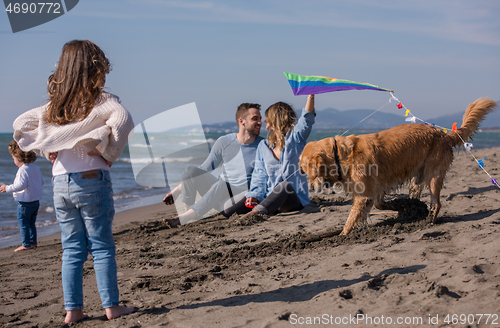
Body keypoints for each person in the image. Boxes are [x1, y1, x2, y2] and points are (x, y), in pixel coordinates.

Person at [12, 40, 134, 323]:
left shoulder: (55, 107)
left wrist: (47, 150)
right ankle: (112, 307)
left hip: (60, 183)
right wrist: (109, 152)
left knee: (72, 248)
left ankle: (73, 311)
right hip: (93, 178)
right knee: (101, 245)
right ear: (96, 68)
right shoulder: (102, 100)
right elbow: (124, 121)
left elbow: (20, 124)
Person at [163, 103, 263, 227]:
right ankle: (188, 212)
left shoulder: (263, 145)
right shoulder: (224, 142)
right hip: (221, 192)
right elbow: (204, 168)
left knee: (221, 184)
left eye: (260, 119)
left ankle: (185, 217)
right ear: (241, 121)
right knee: (191, 171)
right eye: (255, 119)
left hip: (242, 197)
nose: (260, 122)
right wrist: (177, 190)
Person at [242, 94, 315, 218]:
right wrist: (254, 196)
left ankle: (256, 213)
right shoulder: (263, 146)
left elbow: (306, 120)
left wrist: (311, 96)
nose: (264, 120)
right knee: (228, 210)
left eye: (267, 117)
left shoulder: (296, 139)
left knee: (285, 186)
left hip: (292, 202)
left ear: (276, 118)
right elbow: (259, 175)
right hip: (270, 199)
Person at [1, 141, 44, 252]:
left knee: (24, 224)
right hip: (35, 201)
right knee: (31, 223)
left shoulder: (23, 170)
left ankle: (26, 244)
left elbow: (20, 185)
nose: (13, 160)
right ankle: (33, 242)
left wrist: (7, 188)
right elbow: (42, 182)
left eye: (13, 157)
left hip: (25, 202)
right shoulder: (35, 168)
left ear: (19, 158)